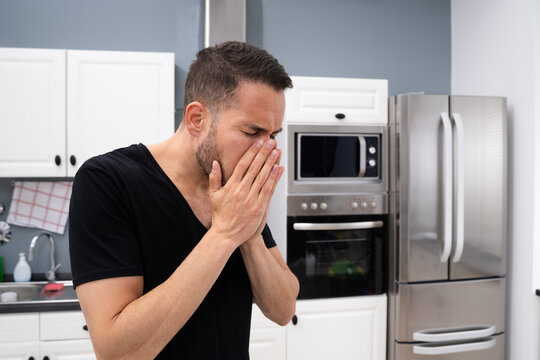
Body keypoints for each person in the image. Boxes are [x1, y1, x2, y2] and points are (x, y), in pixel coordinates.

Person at [69, 41, 299, 360]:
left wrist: (250, 238)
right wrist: (224, 235)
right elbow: (117, 352)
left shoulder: (238, 193)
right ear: (196, 120)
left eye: (273, 135)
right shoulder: (107, 181)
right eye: (252, 132)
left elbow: (284, 309)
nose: (267, 151)